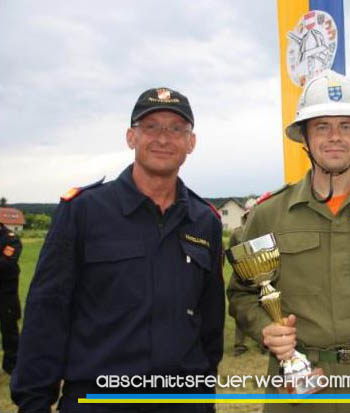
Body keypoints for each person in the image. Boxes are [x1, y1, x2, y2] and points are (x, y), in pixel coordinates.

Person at [11, 87, 225, 413]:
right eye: (150, 127)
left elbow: (211, 322)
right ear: (131, 137)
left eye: (176, 129)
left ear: (191, 142)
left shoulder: (204, 221)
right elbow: (47, 314)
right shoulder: (83, 212)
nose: (163, 139)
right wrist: (33, 402)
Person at [228, 70, 350, 413]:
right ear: (304, 137)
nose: (335, 137)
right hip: (294, 390)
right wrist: (266, 329)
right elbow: (243, 294)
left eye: (346, 126)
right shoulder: (268, 214)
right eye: (322, 126)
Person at [229, 198, 257, 357]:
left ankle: (264, 344)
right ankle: (239, 345)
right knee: (241, 309)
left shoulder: (264, 229)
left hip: (262, 275)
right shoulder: (237, 233)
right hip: (242, 276)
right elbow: (232, 253)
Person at [0, 222, 22, 375]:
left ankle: (12, 365)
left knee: (9, 330)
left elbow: (7, 263)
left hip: (5, 293)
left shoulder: (10, 238)